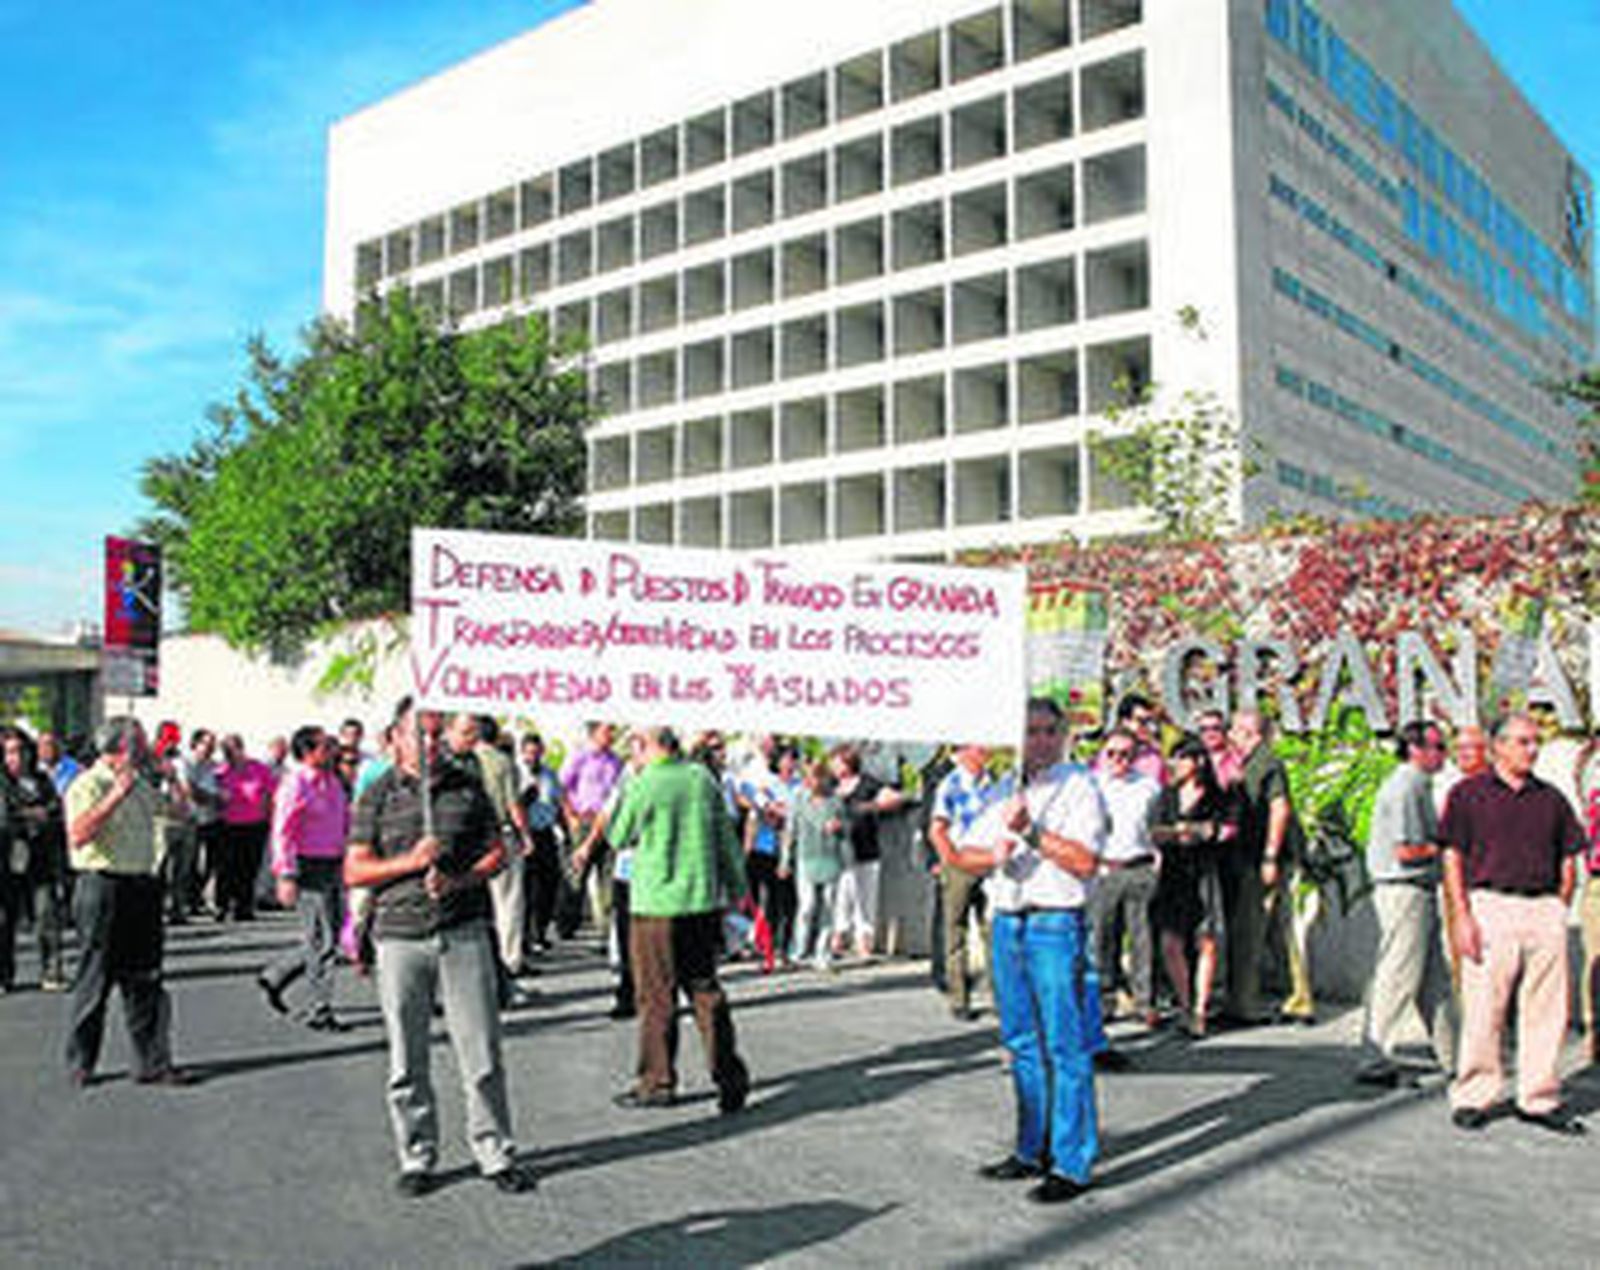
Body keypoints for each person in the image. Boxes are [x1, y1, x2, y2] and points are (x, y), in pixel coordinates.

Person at [343, 700, 535, 1195]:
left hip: (463, 929)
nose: (430, 745)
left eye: (436, 734)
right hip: (399, 937)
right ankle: (418, 1155)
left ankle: (494, 1152)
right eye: (419, 734)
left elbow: (498, 850)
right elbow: (355, 869)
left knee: (481, 1052)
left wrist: (461, 878)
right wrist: (409, 862)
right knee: (408, 1058)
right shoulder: (377, 793)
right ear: (396, 738)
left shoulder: (466, 786)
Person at [944, 697, 1106, 1204]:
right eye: (1029, 731)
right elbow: (961, 855)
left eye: (1045, 731)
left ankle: (1072, 1162)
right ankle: (1030, 1147)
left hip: (1053, 922)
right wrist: (991, 853)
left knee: (1065, 1043)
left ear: (1061, 735)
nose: (1037, 740)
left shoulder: (1079, 786)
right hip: (1007, 922)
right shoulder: (1002, 789)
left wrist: (1032, 833)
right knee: (1019, 1041)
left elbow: (1085, 861)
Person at [1441, 713, 1585, 1135]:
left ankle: (1538, 1097)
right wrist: (1462, 915)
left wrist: (1559, 906)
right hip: (1491, 906)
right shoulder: (1468, 794)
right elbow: (1452, 856)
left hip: (1542, 908)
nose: (1532, 749)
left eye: (1535, 741)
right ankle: (1474, 1094)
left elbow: (1567, 855)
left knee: (1547, 1010)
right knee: (1485, 1006)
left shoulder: (1552, 799)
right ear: (1498, 746)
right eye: (1523, 741)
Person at [604, 726, 750, 1114]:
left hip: (655, 905)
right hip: (700, 900)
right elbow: (725, 837)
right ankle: (729, 1076)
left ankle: (657, 1080)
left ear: (646, 746)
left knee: (656, 995)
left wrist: (630, 783)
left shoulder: (645, 782)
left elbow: (618, 835)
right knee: (705, 990)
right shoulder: (702, 778)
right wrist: (738, 887)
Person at [63, 717, 189, 1087]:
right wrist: (115, 795)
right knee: (94, 978)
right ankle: (81, 1061)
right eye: (140, 742)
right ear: (122, 748)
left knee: (146, 977)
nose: (147, 748)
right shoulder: (87, 784)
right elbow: (79, 835)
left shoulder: (143, 786)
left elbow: (177, 813)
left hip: (141, 885)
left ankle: (152, 1061)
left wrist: (174, 779)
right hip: (102, 884)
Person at [1356, 721, 1456, 1087]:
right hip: (1404, 889)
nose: (1444, 753)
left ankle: (1456, 1057)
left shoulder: (1414, 784)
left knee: (1434, 980)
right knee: (1399, 976)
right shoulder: (1408, 786)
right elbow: (1408, 850)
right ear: (1416, 749)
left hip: (1416, 890)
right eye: (1438, 746)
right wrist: (1448, 847)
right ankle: (1375, 1057)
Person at [258, 725, 350, 1031]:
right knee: (320, 939)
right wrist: (285, 874)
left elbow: (344, 822)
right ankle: (320, 1008)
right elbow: (282, 832)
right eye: (325, 746)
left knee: (331, 937)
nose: (332, 750)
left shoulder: (333, 782)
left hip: (333, 862)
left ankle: (277, 974)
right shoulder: (294, 784)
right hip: (308, 865)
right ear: (309, 753)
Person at [1225, 710, 1312, 1026]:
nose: (1230, 734)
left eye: (1236, 729)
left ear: (1253, 734)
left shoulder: (1267, 763)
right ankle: (1291, 998)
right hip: (1251, 856)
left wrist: (1270, 856)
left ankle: (1252, 1004)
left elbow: (1279, 808)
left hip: (1262, 858)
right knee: (1269, 929)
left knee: (1257, 928)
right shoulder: (1248, 763)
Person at [1151, 736, 1239, 1038]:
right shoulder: (1167, 796)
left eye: (1182, 758)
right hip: (1175, 872)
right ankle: (1185, 1003)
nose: (1176, 764)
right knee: (1170, 942)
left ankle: (1200, 1008)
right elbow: (1154, 831)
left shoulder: (1216, 796)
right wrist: (1177, 833)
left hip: (1205, 871)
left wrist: (1200, 831)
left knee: (1207, 941)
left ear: (1198, 761)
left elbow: (1227, 829)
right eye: (1173, 758)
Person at [447, 716, 533, 980]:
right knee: (508, 902)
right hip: (500, 834)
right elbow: (513, 804)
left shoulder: (458, 760)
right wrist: (526, 836)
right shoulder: (502, 762)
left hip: (468, 839)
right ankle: (510, 960)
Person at [1090, 727, 1163, 1028]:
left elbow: (1159, 827)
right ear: (1102, 755)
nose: (1119, 759)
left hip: (1140, 867)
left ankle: (1144, 1002)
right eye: (1112, 753)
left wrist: (1159, 861)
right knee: (1103, 938)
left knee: (1143, 939)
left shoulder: (1149, 787)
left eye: (1126, 754)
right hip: (1105, 869)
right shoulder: (1091, 785)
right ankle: (1104, 1002)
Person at [927, 743, 1002, 1019]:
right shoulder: (951, 784)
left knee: (992, 932)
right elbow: (937, 829)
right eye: (980, 747)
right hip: (960, 862)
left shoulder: (993, 782)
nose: (987, 751)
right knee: (955, 931)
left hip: (988, 862)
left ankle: (998, 997)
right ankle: (959, 998)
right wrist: (951, 859)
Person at [1, 727, 69, 991]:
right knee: (5, 920)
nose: (16, 758)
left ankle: (52, 970)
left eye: (21, 751)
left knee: (47, 915)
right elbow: (6, 816)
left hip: (40, 855)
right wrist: (31, 814)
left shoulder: (41, 780)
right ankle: (4, 974)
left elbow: (56, 811)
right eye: (10, 752)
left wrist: (41, 815)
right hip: (6, 857)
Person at [832, 743, 905, 962]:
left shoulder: (866, 783)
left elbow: (895, 797)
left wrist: (872, 806)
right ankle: (838, 938)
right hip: (839, 851)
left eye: (836, 762)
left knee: (866, 896)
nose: (833, 767)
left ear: (847, 762)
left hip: (866, 848)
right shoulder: (831, 786)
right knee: (841, 895)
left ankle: (864, 942)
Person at [781, 757, 848, 971]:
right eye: (809, 778)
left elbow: (847, 829)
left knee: (828, 906)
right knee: (807, 906)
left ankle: (822, 953)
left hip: (830, 857)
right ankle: (798, 951)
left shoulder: (835, 801)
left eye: (816, 778)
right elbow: (790, 831)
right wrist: (785, 860)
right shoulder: (798, 800)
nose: (812, 783)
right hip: (806, 857)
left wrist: (840, 827)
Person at [560, 721, 624, 937]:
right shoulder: (580, 757)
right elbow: (563, 787)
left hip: (609, 822)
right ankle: (567, 924)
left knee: (608, 874)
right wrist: (570, 816)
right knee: (578, 873)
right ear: (594, 732)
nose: (612, 735)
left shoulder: (615, 761)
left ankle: (606, 928)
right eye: (608, 730)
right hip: (584, 820)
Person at [215, 735, 275, 921]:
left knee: (249, 867)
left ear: (241, 748)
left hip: (255, 823)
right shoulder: (220, 772)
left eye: (233, 749)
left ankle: (244, 906)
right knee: (227, 867)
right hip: (228, 824)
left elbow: (271, 793)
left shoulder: (259, 769)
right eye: (226, 750)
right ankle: (223, 905)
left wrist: (269, 816)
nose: (231, 754)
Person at [517, 731, 565, 956]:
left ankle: (541, 931)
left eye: (536, 753)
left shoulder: (550, 775)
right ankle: (525, 937)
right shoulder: (517, 774)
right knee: (527, 888)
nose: (532, 757)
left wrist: (565, 829)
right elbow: (512, 805)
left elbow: (557, 803)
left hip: (545, 832)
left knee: (549, 882)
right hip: (525, 834)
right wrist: (524, 798)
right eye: (528, 753)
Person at [182, 729, 222, 919]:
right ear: (195, 744)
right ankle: (188, 900)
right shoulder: (185, 763)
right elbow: (190, 791)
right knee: (190, 862)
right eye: (207, 743)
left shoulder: (214, 765)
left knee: (211, 862)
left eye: (213, 744)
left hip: (212, 819)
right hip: (191, 819)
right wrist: (213, 797)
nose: (211, 748)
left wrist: (215, 798)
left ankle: (198, 897)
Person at [1095, 693, 1167, 786]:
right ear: (1125, 721)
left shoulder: (1155, 757)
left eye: (1149, 721)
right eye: (1141, 721)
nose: (1147, 726)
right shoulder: (1108, 755)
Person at [1196, 708, 1242, 789]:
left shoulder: (1237, 757)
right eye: (1204, 729)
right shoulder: (1195, 759)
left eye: (1215, 728)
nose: (1210, 733)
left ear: (1224, 729)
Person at [38, 730, 81, 796]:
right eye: (40, 746)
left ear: (57, 746)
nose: (44, 749)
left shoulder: (72, 767)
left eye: (48, 744)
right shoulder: (35, 771)